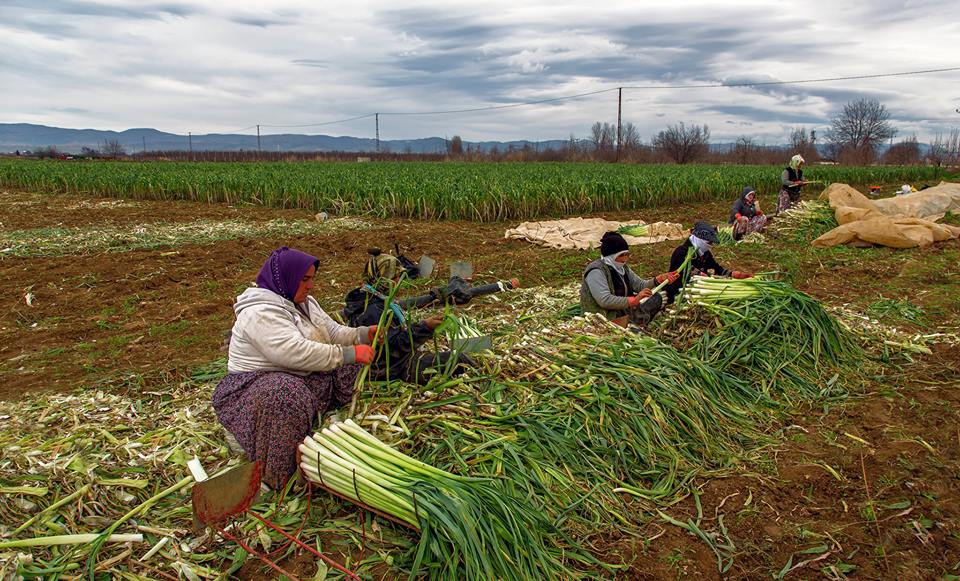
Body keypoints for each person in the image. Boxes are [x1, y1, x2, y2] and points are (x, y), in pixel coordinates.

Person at [212, 247, 377, 490]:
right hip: (259, 387)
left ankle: (316, 418)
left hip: (299, 376)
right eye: (305, 279)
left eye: (312, 279)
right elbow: (294, 352)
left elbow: (331, 332)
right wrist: (349, 354)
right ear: (285, 277)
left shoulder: (304, 302)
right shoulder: (259, 312)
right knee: (285, 395)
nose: (310, 285)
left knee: (347, 365)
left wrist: (361, 335)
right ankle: (276, 472)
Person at [342, 251, 475, 384]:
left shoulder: (369, 299)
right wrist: (425, 327)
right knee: (458, 359)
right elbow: (394, 347)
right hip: (392, 370)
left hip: (394, 364)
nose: (397, 282)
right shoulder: (372, 310)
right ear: (382, 278)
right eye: (394, 277)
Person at [580, 231, 679, 325]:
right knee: (644, 307)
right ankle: (634, 322)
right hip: (606, 316)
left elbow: (640, 285)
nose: (625, 259)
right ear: (610, 256)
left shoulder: (622, 268)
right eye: (621, 255)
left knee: (656, 297)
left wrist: (659, 279)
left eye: (626, 254)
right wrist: (633, 301)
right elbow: (605, 300)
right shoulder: (597, 271)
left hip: (624, 309)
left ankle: (635, 320)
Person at [665, 221, 752, 303]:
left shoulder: (705, 253)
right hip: (680, 293)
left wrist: (733, 274)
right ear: (698, 238)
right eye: (709, 242)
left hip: (698, 292)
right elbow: (684, 270)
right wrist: (703, 276)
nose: (710, 245)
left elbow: (716, 268)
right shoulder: (681, 252)